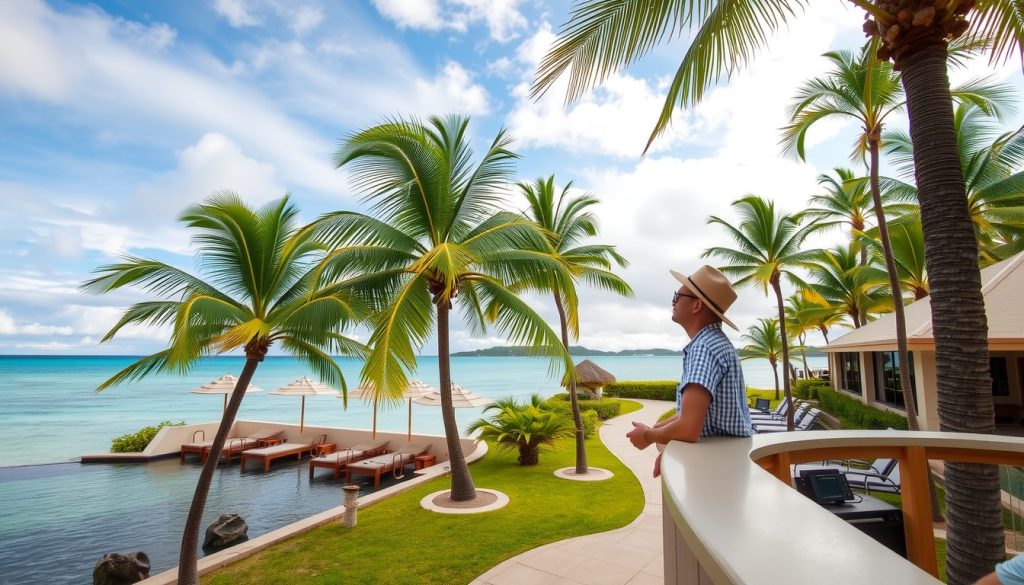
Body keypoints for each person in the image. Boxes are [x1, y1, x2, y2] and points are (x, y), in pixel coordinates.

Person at [626, 265, 754, 476]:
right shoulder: (716, 343)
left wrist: (647, 436)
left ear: (697, 305)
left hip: (716, 469)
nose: (673, 301)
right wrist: (655, 430)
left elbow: (689, 428)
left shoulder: (704, 348)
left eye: (678, 296)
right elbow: (691, 414)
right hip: (729, 459)